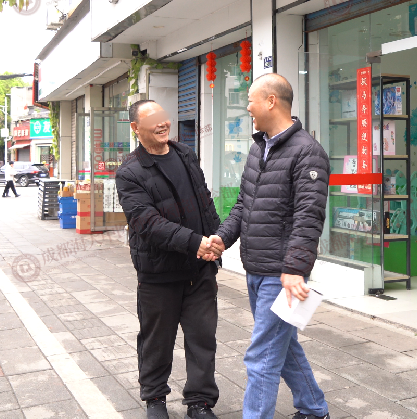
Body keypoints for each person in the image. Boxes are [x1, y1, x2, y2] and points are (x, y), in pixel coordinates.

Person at [211, 73, 331, 419]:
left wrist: (294, 268)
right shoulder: (258, 147)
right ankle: (314, 409)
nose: (247, 107)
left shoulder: (307, 152)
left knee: (261, 355)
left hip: (281, 274)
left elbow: (309, 215)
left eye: (250, 100)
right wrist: (222, 238)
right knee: (284, 346)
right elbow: (244, 204)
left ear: (271, 101)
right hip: (256, 268)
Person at [116, 99, 224, 419]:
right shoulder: (130, 172)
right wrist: (195, 243)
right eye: (152, 119)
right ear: (136, 128)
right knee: (156, 341)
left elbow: (204, 201)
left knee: (202, 338)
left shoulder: (185, 154)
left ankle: (200, 402)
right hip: (159, 273)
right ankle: (155, 399)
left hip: (199, 269)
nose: (162, 123)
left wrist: (215, 238)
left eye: (163, 116)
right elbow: (147, 223)